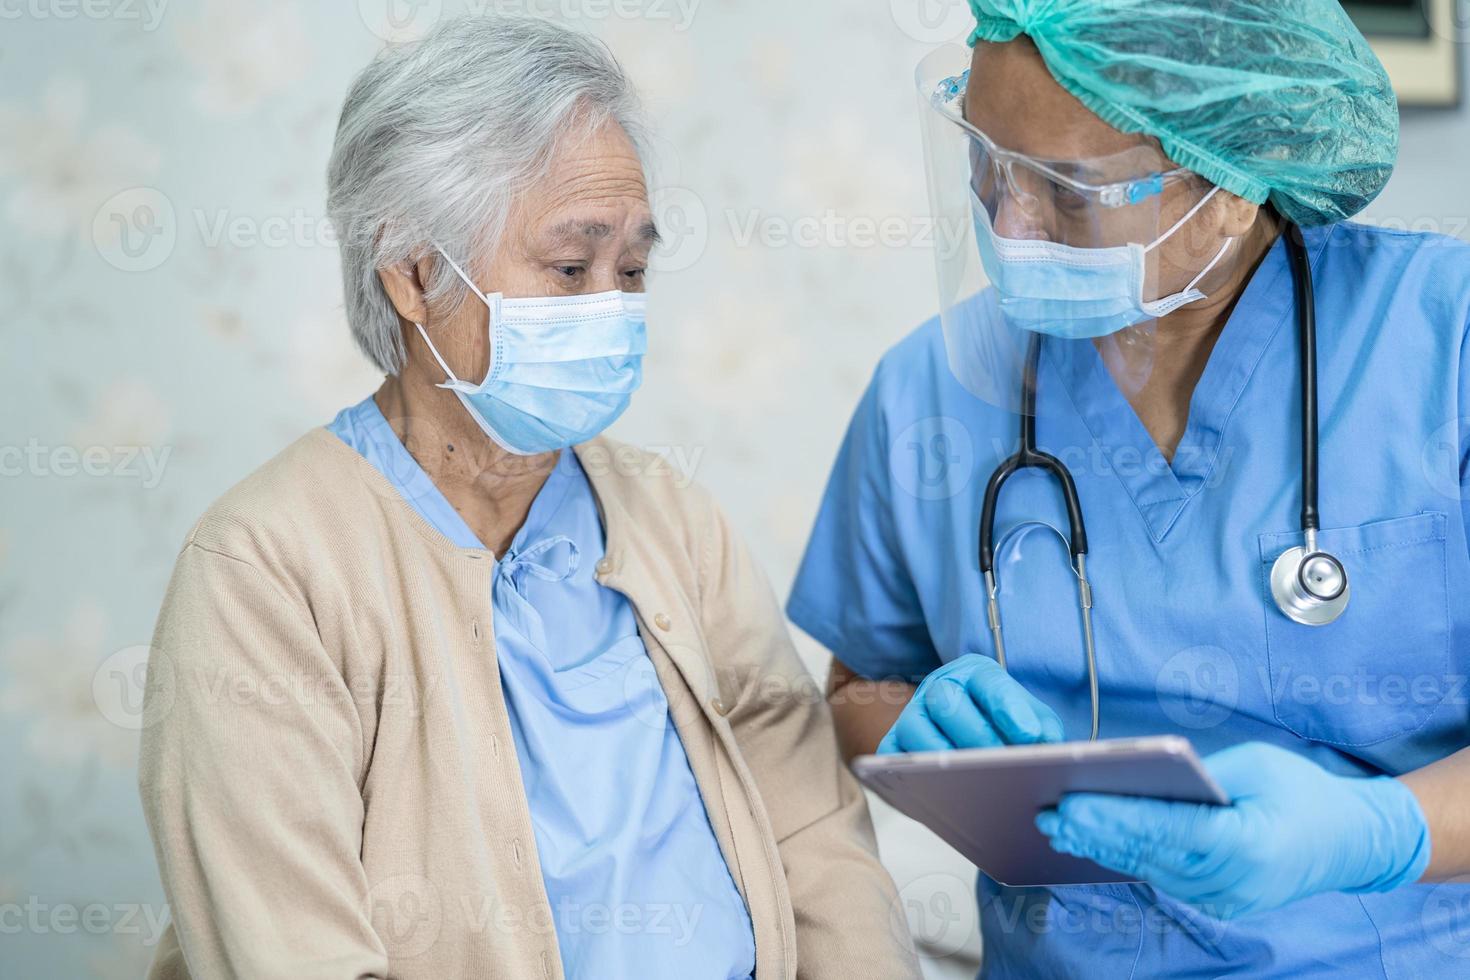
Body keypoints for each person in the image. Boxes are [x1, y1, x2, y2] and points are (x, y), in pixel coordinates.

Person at [136, 17, 918, 980]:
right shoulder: (265, 573)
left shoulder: (670, 516)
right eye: (569, 267)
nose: (614, 309)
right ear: (416, 272)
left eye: (631, 270)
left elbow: (814, 833)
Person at [789, 1, 1470, 975]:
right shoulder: (927, 391)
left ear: (1232, 186)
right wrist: (910, 725)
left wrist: (1380, 827)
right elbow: (859, 683)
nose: (1010, 221)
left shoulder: (1445, 340)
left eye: (1066, 189)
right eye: (986, 160)